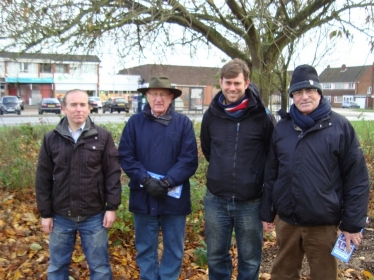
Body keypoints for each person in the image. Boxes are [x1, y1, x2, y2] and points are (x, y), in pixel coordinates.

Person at [260, 64, 370, 280]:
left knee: (325, 276)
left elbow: (357, 179)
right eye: (298, 92)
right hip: (288, 223)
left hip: (323, 225)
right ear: (292, 96)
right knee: (282, 275)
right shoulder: (282, 128)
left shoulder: (340, 127)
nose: (304, 97)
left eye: (309, 91)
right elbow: (271, 173)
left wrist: (352, 224)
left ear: (319, 93)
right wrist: (267, 212)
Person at [200, 58, 275, 280]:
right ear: (221, 82)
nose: (232, 88)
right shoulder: (211, 115)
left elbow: (272, 156)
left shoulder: (262, 116)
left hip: (250, 202)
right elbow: (208, 150)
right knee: (215, 256)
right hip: (216, 200)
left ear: (247, 82)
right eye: (228, 82)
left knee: (250, 259)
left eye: (237, 83)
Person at [35, 89, 121, 279]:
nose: (78, 109)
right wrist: (45, 213)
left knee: (100, 267)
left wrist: (111, 207)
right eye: (73, 105)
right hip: (60, 216)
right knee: (57, 266)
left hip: (94, 215)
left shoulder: (102, 137)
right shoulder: (51, 139)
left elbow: (112, 174)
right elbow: (43, 178)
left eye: (83, 104)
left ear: (89, 108)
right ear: (64, 108)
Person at [118, 76, 198, 280]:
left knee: (174, 249)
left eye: (163, 94)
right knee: (145, 249)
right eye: (154, 94)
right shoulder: (135, 123)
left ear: (171, 97)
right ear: (147, 97)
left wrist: (167, 182)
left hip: (174, 197)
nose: (158, 99)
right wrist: (145, 180)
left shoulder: (183, 124)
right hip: (143, 197)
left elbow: (188, 159)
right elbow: (126, 155)